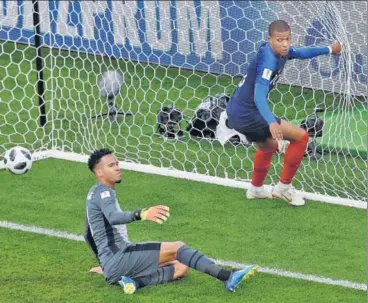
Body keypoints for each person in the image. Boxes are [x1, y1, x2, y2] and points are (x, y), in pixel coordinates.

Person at [84, 148, 258, 294]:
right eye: (111, 165)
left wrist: (106, 265)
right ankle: (228, 277)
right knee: (177, 247)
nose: (117, 168)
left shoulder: (93, 194)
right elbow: (114, 217)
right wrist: (142, 213)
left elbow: (88, 234)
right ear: (99, 172)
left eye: (117, 164)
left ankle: (134, 282)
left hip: (115, 264)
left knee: (182, 265)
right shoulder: (103, 192)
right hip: (120, 258)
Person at [226, 20, 342, 206]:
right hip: (249, 114)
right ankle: (284, 187)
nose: (285, 44)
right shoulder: (269, 62)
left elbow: (301, 53)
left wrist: (329, 49)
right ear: (270, 39)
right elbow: (259, 96)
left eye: (287, 39)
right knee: (301, 137)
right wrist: (271, 121)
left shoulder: (275, 50)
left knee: (268, 147)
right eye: (280, 40)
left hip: (236, 111)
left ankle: (256, 189)